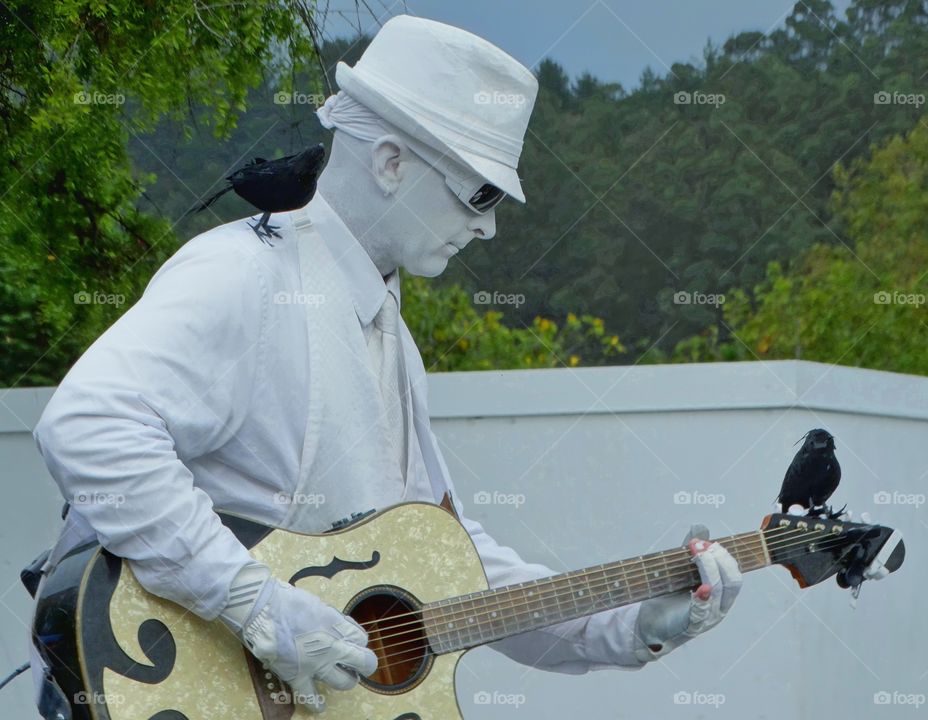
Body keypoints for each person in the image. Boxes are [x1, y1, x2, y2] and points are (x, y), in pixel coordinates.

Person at [29, 15, 741, 716]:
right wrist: (258, 606)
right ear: (391, 161)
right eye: (480, 193)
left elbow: (453, 565)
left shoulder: (388, 331)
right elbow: (87, 426)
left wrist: (632, 627)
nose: (489, 224)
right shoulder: (244, 271)